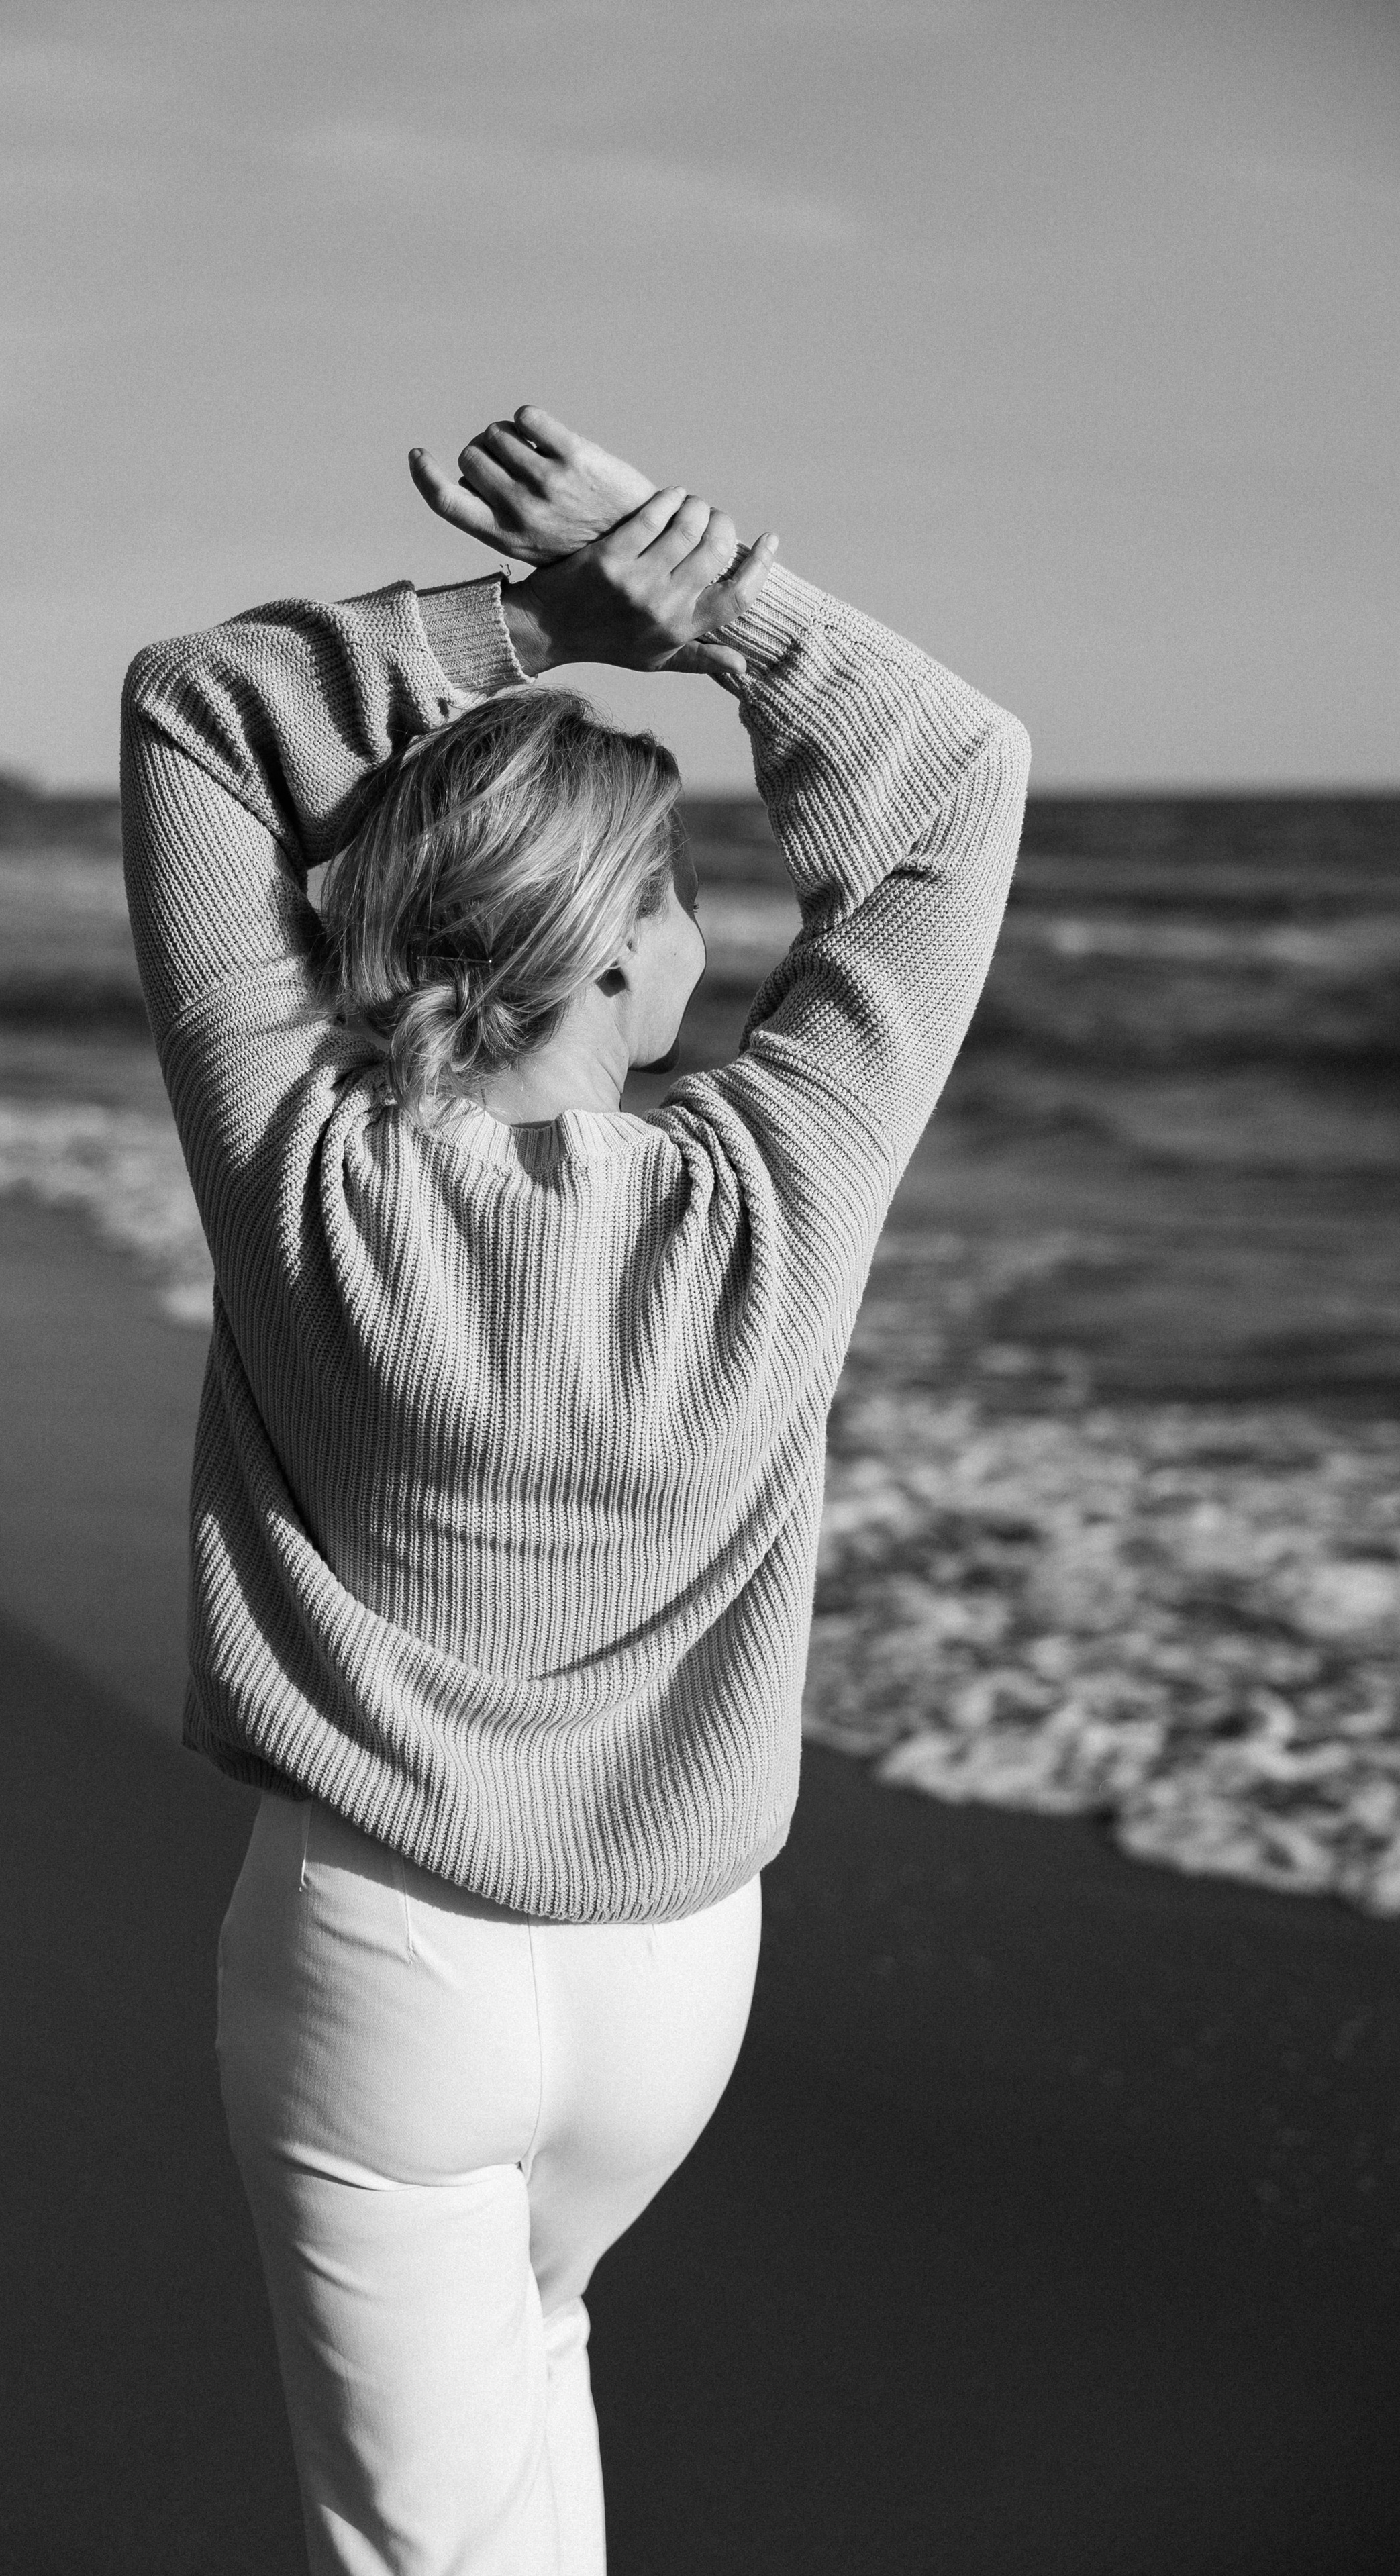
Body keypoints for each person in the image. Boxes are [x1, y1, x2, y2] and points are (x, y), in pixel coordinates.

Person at [119, 405, 1030, 2575]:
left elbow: (195, 717)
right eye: (690, 904)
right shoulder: (785, 1181)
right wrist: (707, 594)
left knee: (416, 2541)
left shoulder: (306, 1164)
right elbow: (957, 784)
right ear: (621, 951)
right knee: (544, 2353)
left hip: (388, 1955)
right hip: (671, 1973)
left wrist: (541, 618)